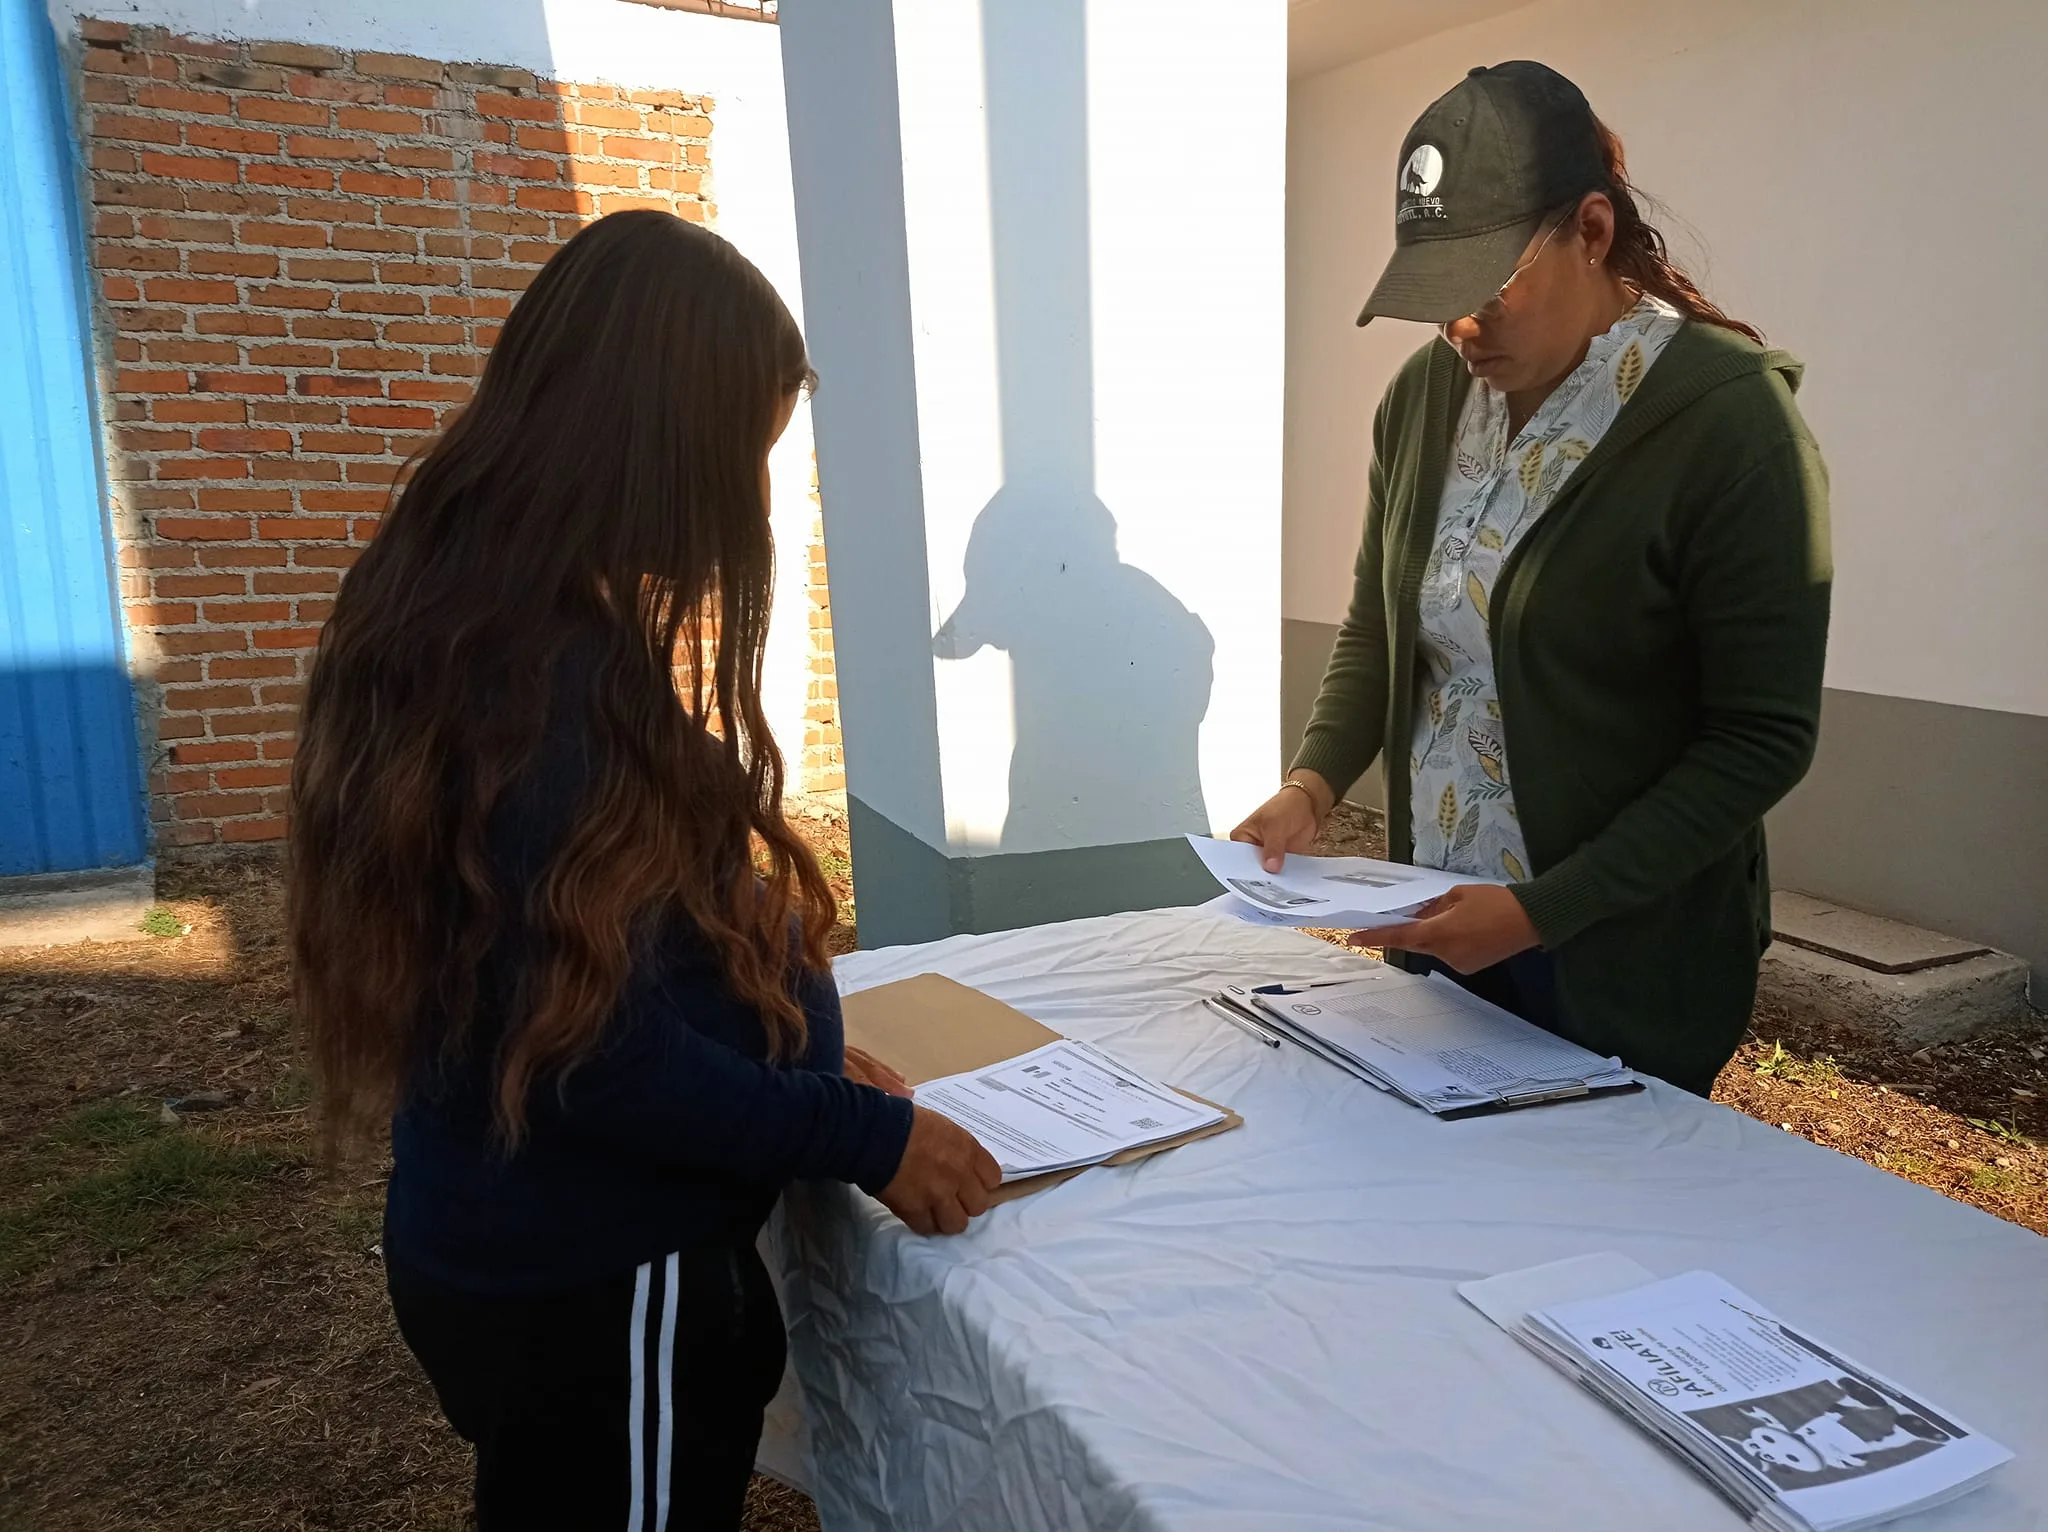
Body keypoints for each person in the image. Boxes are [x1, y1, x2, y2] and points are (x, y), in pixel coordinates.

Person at [287, 210, 1001, 1531]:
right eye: (743, 455)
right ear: (656, 439)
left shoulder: (462, 611)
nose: (752, 501)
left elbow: (563, 962)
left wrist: (774, 1039)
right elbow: (587, 1052)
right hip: (603, 1287)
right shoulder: (532, 682)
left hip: (504, 1244)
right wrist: (859, 1131)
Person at [1232, 62, 1831, 1095]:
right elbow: (1382, 631)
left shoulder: (1728, 424)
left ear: (1590, 232)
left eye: (1486, 288)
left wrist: (1538, 910)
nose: (1460, 328)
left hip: (1623, 960)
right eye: (1435, 298)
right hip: (1440, 928)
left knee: (1591, 1237)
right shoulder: (1423, 399)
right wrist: (1308, 785)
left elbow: (1757, 738)